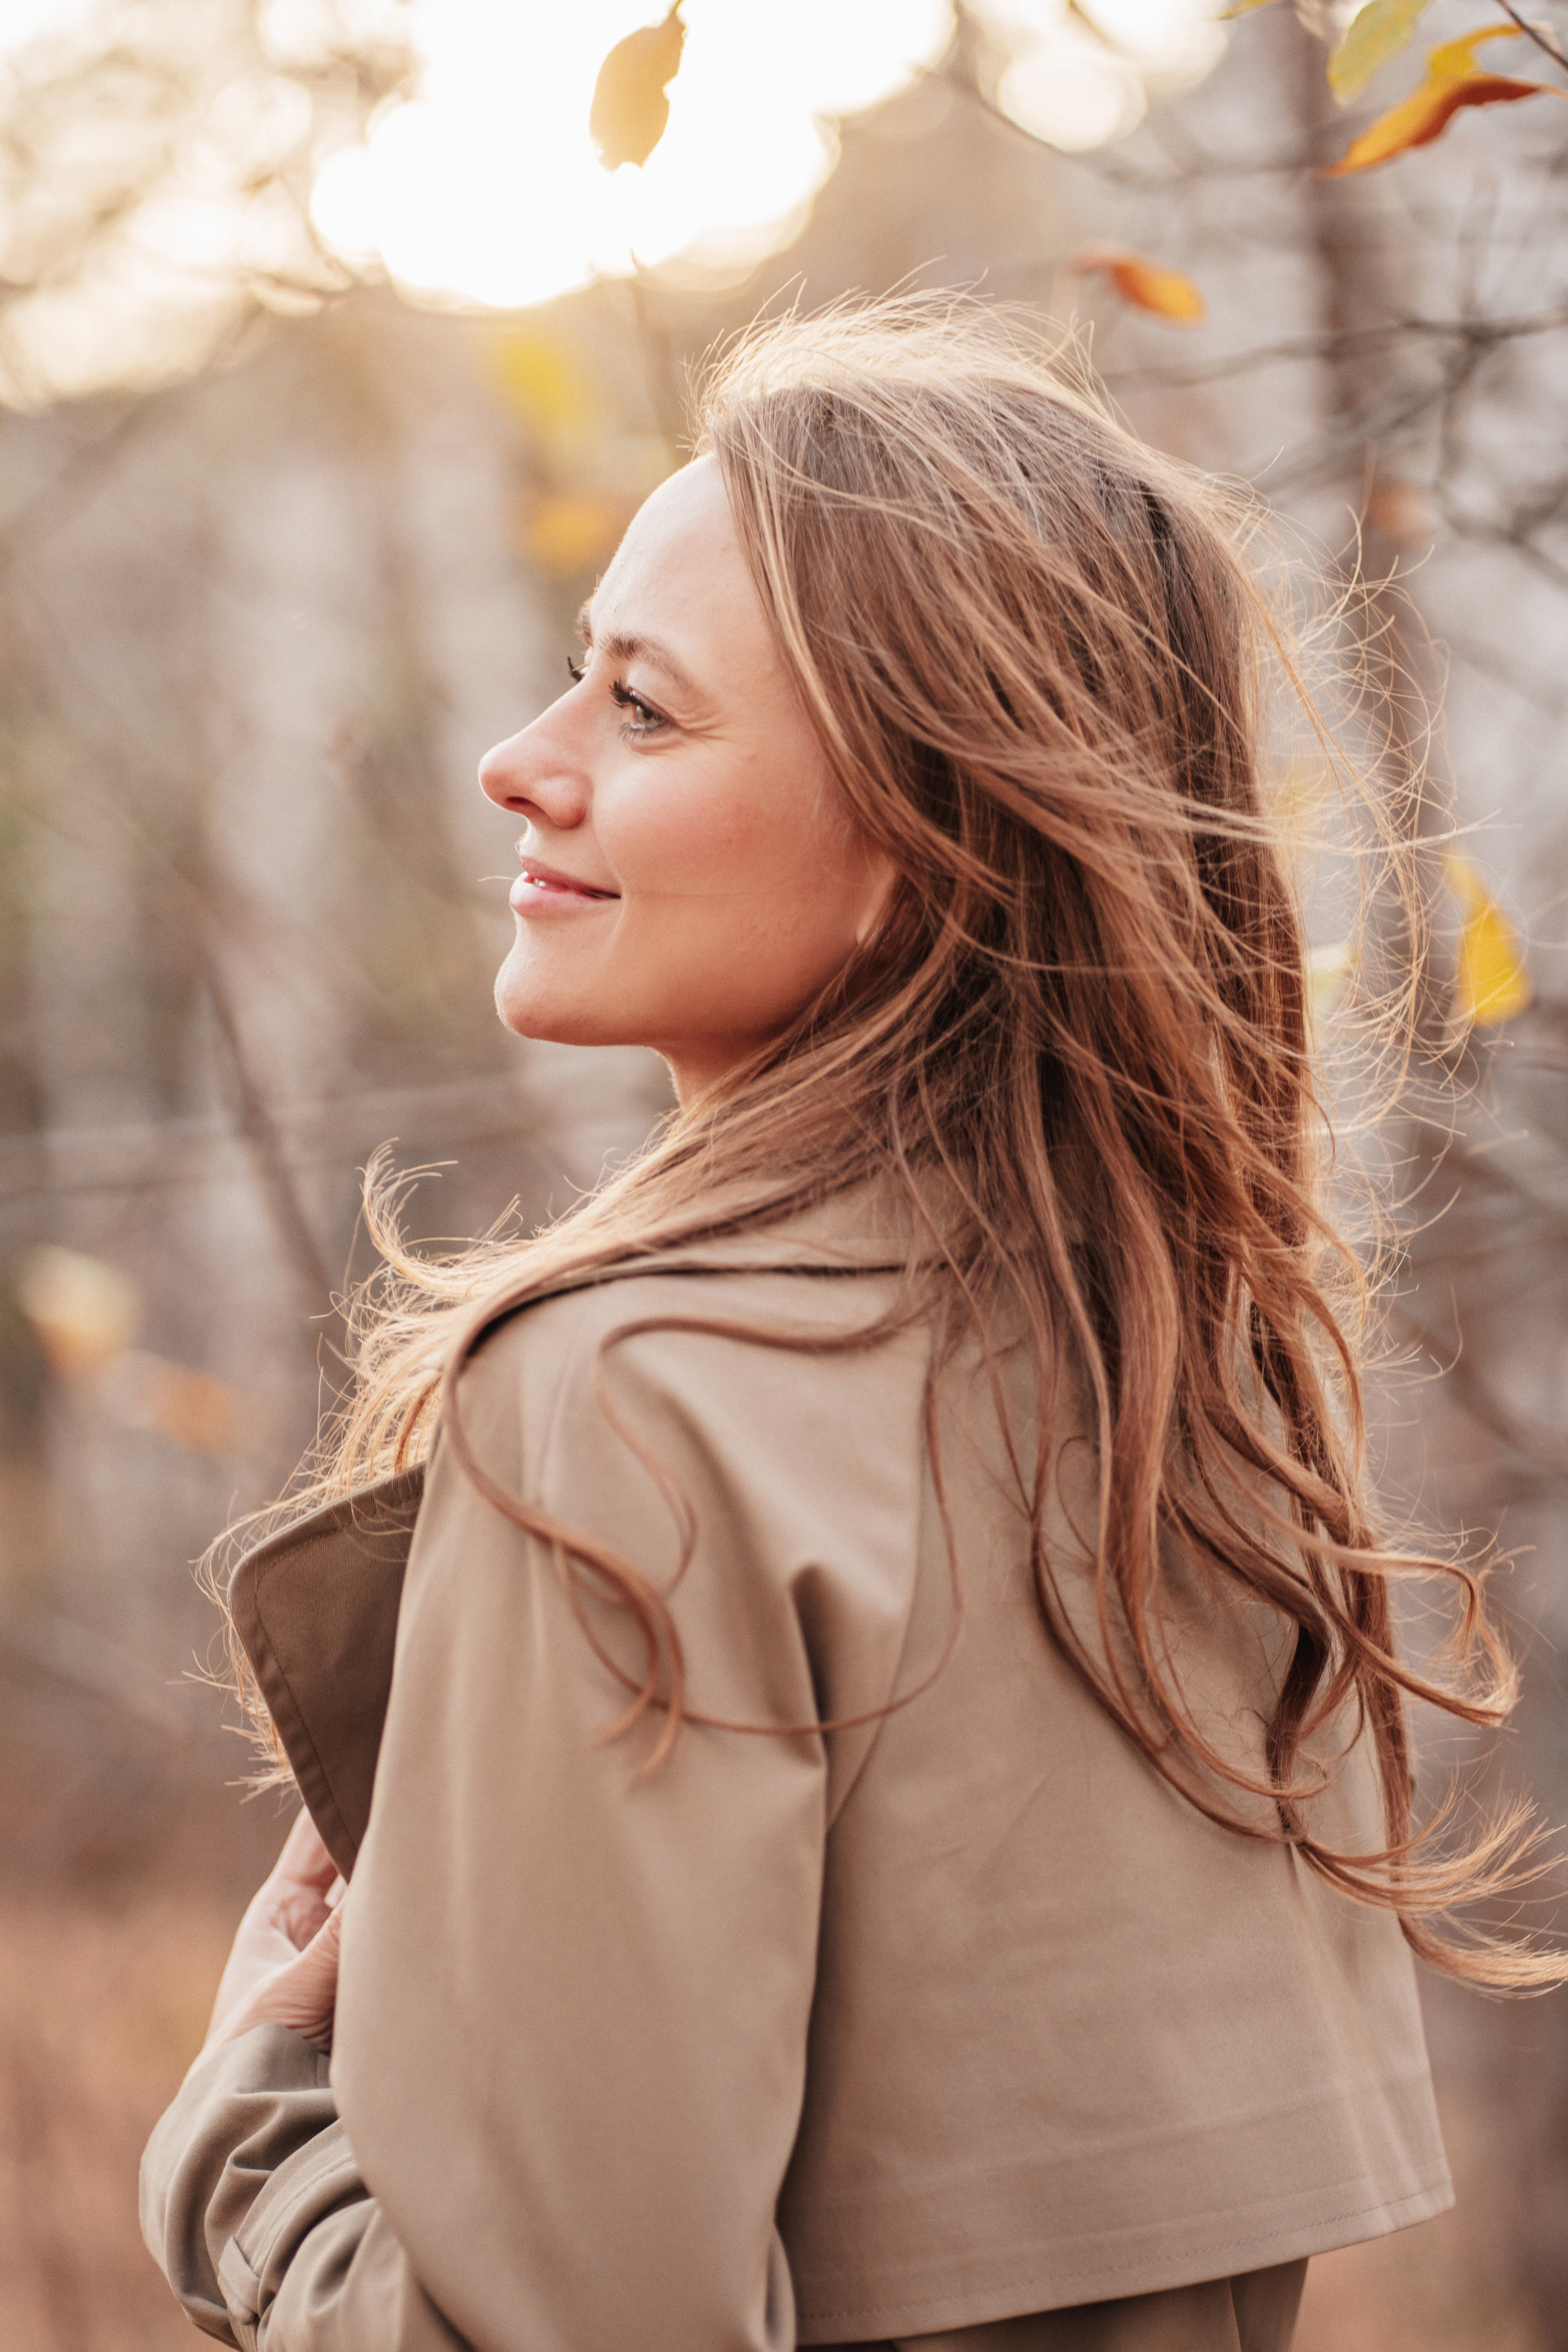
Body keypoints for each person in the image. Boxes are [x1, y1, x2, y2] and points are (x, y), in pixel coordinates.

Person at [140, 296, 1551, 2352]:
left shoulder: (632, 1408)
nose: (520, 761)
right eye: (576, 672)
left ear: (920, 850)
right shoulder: (1185, 1396)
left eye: (644, 710)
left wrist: (252, 2130)